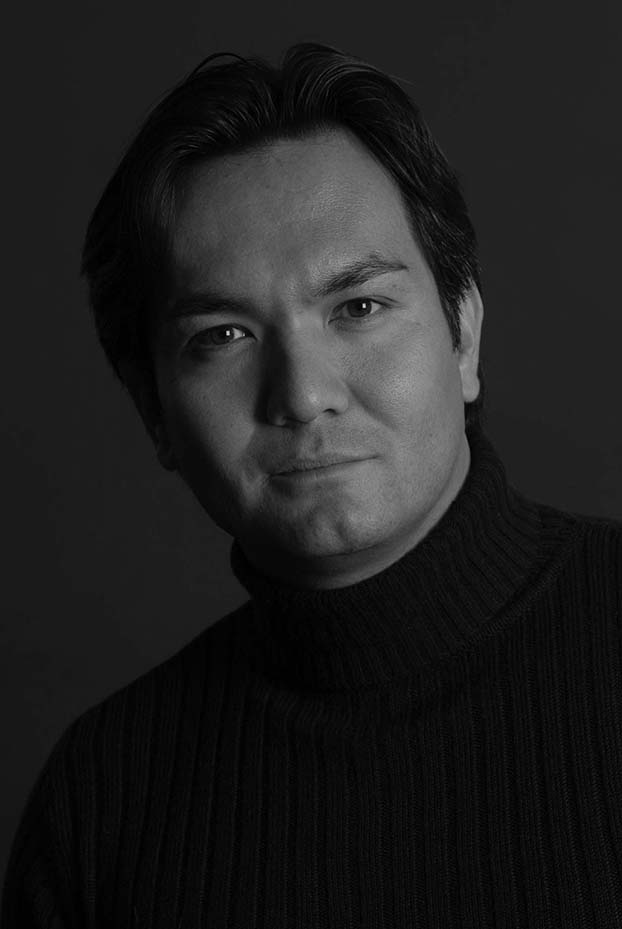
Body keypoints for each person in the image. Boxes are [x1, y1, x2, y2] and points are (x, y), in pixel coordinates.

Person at [2, 42, 621, 928]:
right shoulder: (104, 799)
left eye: (358, 308)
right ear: (152, 409)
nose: (301, 393)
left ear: (464, 334)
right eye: (223, 336)